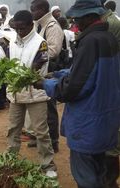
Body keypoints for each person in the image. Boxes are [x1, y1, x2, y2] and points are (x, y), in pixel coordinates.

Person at [34, 0, 120, 186]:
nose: (75, 24)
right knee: (103, 173)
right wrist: (58, 73)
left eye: (78, 20)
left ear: (90, 18)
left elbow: (73, 89)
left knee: (86, 176)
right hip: (106, 120)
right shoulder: (109, 39)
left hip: (88, 123)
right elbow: (93, 73)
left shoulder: (90, 42)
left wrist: (45, 84)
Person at [6, 10, 56, 178]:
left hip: (35, 93)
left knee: (41, 131)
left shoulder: (40, 43)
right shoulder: (13, 41)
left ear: (31, 25)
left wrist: (23, 76)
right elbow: (11, 63)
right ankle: (9, 161)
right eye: (16, 28)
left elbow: (38, 66)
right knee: (13, 129)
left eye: (22, 28)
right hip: (15, 93)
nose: (19, 31)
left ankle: (47, 165)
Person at [30, 0, 64, 153]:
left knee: (49, 107)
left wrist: (35, 56)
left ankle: (53, 142)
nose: (32, 13)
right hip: (41, 68)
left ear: (43, 9)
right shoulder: (41, 25)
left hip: (49, 69)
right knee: (40, 107)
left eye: (34, 10)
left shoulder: (52, 26)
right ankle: (41, 138)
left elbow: (53, 50)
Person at [100, 0, 120, 187]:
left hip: (112, 74)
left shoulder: (110, 22)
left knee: (111, 121)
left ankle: (110, 179)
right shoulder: (113, 20)